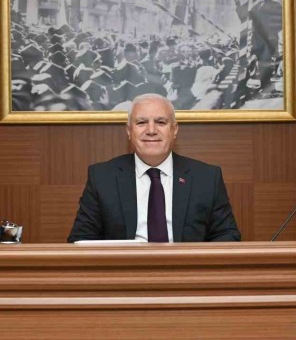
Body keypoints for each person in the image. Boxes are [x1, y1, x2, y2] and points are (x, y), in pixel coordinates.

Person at [68, 93, 241, 243]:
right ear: (129, 130)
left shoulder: (206, 178)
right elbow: (81, 239)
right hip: (125, 268)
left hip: (186, 269)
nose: (151, 130)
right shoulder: (102, 178)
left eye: (160, 122)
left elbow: (227, 236)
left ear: (174, 129)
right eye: (141, 122)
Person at [248, 0, 283, 91]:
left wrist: (270, 33)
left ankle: (265, 87)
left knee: (266, 62)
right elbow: (246, 20)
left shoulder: (276, 6)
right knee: (258, 62)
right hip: (256, 41)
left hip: (268, 40)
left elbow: (281, 22)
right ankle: (263, 86)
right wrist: (238, 8)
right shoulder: (255, 7)